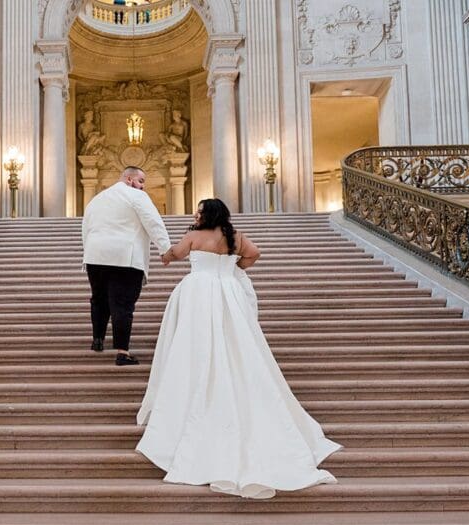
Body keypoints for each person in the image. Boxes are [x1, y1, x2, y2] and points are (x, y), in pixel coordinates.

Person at [136, 198, 340, 498]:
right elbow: (254, 253)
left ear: (207, 214)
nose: (196, 214)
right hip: (228, 291)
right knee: (236, 339)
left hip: (199, 292)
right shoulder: (236, 236)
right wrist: (234, 267)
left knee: (196, 341)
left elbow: (175, 255)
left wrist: (163, 252)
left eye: (199, 210)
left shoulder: (194, 236)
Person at [82, 166, 172, 366]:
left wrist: (87, 252)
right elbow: (153, 222)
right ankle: (122, 352)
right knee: (122, 303)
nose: (142, 186)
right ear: (129, 179)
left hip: (95, 256)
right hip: (124, 256)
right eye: (141, 181)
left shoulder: (97, 199)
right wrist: (165, 249)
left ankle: (97, 340)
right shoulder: (137, 196)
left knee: (99, 299)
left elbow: (86, 228)